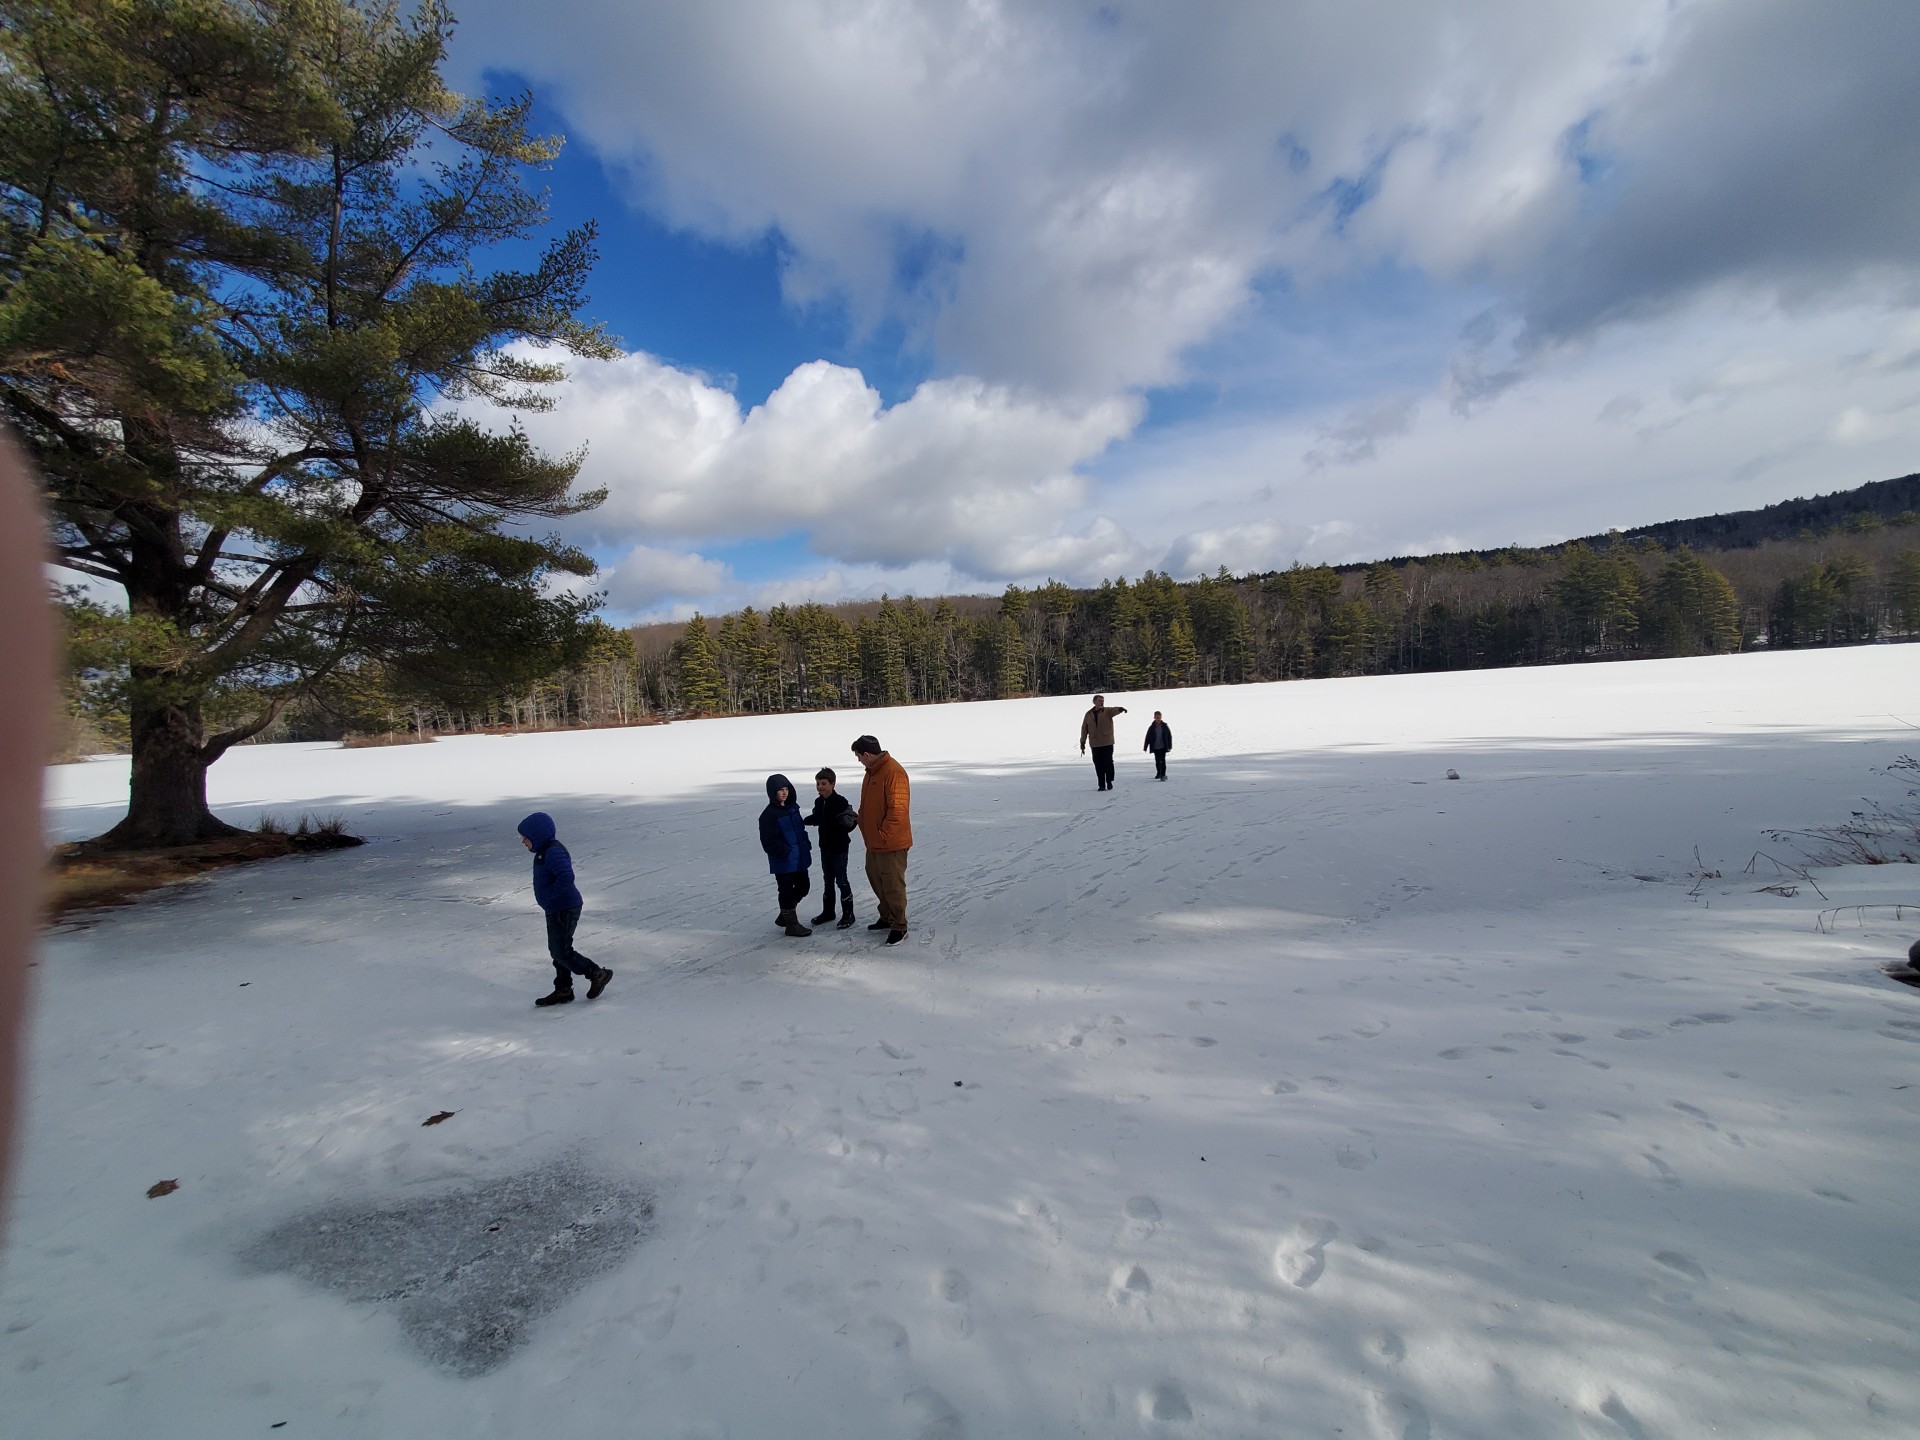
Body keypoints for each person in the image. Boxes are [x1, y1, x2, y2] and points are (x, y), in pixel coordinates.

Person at [517, 812, 611, 1007]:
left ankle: (596, 974)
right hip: (555, 908)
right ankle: (563, 989)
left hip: (564, 907)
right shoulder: (544, 851)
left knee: (560, 951)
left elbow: (566, 876)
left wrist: (551, 896)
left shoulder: (553, 852)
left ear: (538, 835)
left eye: (526, 837)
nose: (523, 841)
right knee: (558, 949)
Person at [851, 735, 912, 945]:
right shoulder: (871, 773)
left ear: (867, 754)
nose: (858, 760)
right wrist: (860, 820)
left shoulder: (893, 772)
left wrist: (883, 835)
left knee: (893, 885)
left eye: (859, 756)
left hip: (890, 844)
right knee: (877, 880)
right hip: (874, 842)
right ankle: (887, 917)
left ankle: (899, 926)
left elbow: (898, 810)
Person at [760, 774, 814, 937]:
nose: (784, 793)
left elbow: (800, 830)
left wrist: (805, 844)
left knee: (804, 887)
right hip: (784, 862)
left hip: (799, 858)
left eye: (786, 789)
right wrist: (784, 852)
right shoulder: (769, 815)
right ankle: (791, 924)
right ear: (772, 793)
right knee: (786, 891)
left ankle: (785, 913)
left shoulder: (793, 808)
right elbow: (768, 841)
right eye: (780, 790)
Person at [803, 767, 857, 928]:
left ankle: (849, 914)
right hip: (825, 847)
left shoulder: (840, 801)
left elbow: (849, 823)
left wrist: (846, 824)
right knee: (828, 880)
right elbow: (818, 818)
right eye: (818, 783)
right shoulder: (819, 802)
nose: (820, 786)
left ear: (832, 784)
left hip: (839, 847)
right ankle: (828, 912)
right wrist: (803, 821)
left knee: (841, 880)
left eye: (824, 783)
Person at [1079, 694, 1129, 790]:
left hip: (1107, 742)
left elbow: (1115, 710)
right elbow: (1084, 728)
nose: (1102, 702)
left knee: (1108, 762)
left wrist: (1121, 709)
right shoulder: (1088, 714)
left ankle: (1109, 781)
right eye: (1099, 701)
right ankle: (1101, 785)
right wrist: (1082, 742)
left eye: (1102, 701)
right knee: (1098, 764)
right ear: (1094, 702)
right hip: (1095, 743)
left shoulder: (1107, 711)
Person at [1144, 710, 1173, 780]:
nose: (1158, 718)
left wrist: (1169, 746)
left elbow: (1169, 736)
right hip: (1155, 746)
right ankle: (1158, 773)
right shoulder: (1151, 727)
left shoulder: (1165, 726)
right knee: (1157, 761)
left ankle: (1163, 774)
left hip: (1163, 746)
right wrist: (1145, 746)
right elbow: (1147, 737)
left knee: (1162, 760)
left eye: (1159, 717)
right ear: (1154, 717)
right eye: (1157, 717)